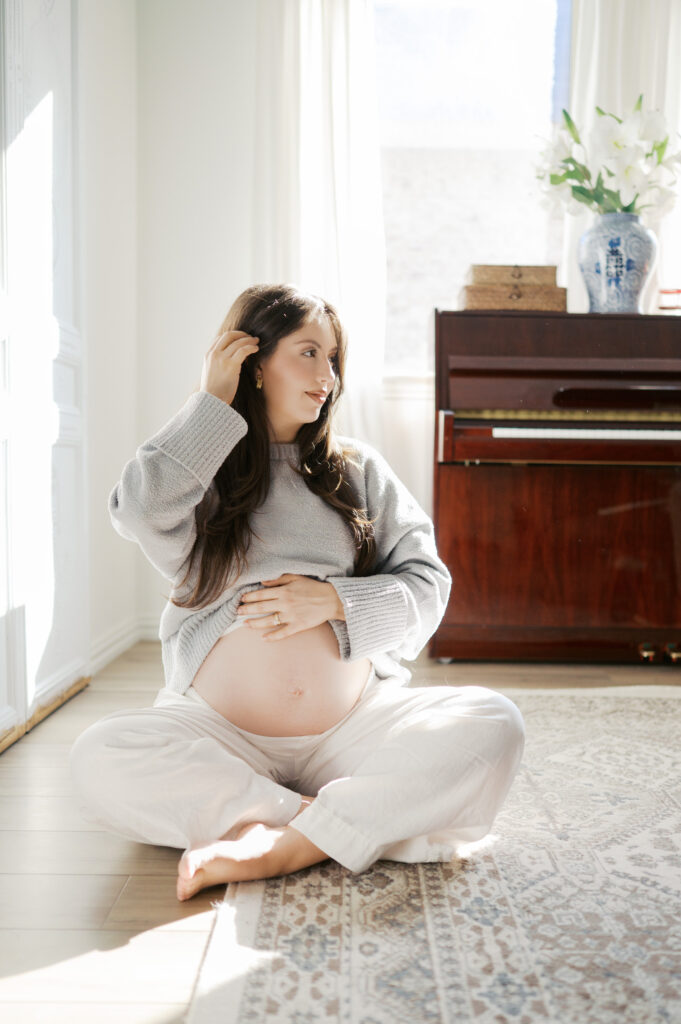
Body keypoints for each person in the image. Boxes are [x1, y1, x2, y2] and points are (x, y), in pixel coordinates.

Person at [69, 283, 525, 902]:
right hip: (220, 731)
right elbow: (138, 511)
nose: (328, 376)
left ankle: (284, 840)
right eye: (309, 353)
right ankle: (333, 821)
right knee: (98, 756)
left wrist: (335, 601)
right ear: (252, 362)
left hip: (354, 728)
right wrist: (210, 403)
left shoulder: (359, 470)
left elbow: (428, 584)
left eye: (333, 358)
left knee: (494, 720)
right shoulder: (197, 473)